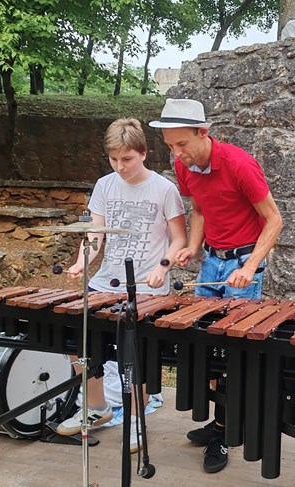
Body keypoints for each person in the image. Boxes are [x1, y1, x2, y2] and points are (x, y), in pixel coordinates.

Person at [149, 98, 283, 473]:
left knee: (233, 351)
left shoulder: (239, 164)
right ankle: (221, 421)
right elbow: (200, 209)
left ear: (203, 133)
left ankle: (225, 433)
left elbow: (274, 221)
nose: (177, 154)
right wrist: (192, 246)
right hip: (212, 260)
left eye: (182, 145)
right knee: (204, 345)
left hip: (243, 263)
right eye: (171, 147)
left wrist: (251, 266)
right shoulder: (185, 165)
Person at [56, 118, 187, 454]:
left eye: (126, 159)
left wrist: (164, 266)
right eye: (113, 159)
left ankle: (135, 421)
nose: (120, 166)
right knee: (77, 336)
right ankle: (97, 406)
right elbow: (95, 234)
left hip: (146, 288)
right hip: (105, 282)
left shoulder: (164, 189)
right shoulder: (104, 185)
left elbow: (179, 239)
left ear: (142, 153)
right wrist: (81, 263)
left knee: (136, 355)